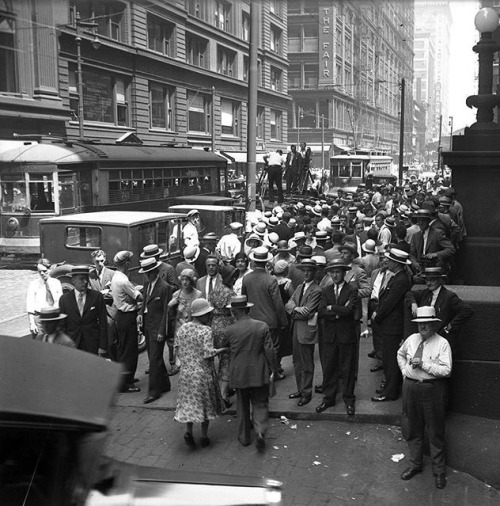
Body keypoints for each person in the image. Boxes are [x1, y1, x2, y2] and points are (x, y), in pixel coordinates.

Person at [397, 306, 452, 489]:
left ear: (434, 325)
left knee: (435, 430)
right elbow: (400, 354)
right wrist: (405, 371)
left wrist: (424, 365)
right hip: (411, 388)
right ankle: (415, 465)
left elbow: (446, 369)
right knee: (412, 428)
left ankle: (439, 471)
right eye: (420, 323)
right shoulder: (412, 339)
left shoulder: (442, 343)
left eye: (426, 323)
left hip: (432, 389)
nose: (423, 327)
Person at [221, 295, 278, 450]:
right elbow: (270, 350)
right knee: (260, 402)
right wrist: (274, 368)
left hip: (238, 372)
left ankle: (245, 437)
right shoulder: (261, 326)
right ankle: (260, 432)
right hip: (258, 370)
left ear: (233, 312)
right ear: (247, 309)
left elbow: (224, 347)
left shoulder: (229, 330)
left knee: (242, 404)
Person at [174, 298, 226, 448]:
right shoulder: (206, 330)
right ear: (201, 315)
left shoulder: (183, 328)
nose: (209, 316)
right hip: (203, 374)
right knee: (205, 404)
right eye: (207, 313)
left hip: (186, 374)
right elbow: (208, 353)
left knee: (189, 404)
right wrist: (223, 350)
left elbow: (177, 347)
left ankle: (189, 431)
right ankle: (203, 435)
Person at [317, 258, 358, 416]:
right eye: (332, 272)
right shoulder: (326, 290)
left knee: (347, 368)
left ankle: (349, 399)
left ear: (344, 273)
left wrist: (332, 308)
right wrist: (339, 311)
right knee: (329, 367)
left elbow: (350, 311)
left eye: (338, 272)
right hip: (330, 335)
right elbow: (321, 312)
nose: (335, 275)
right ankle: (329, 398)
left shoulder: (351, 289)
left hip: (346, 335)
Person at [371, 248, 412, 402]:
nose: (387, 261)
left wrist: (377, 315)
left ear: (396, 263)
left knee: (390, 360)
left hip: (392, 326)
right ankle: (390, 387)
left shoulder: (400, 280)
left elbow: (389, 302)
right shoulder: (399, 277)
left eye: (390, 260)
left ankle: (390, 392)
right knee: (389, 358)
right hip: (390, 325)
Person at [404, 267, 473, 353]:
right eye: (427, 280)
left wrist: (450, 326)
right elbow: (409, 294)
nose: (428, 283)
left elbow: (467, 310)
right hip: (427, 339)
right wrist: (413, 303)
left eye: (432, 280)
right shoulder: (426, 293)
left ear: (440, 280)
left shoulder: (449, 296)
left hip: (442, 339)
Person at [286, 258, 322, 407]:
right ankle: (300, 389)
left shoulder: (317, 290)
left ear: (314, 272)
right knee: (297, 361)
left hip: (306, 330)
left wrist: (294, 310)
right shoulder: (300, 286)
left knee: (307, 363)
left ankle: (306, 392)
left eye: (309, 270)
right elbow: (288, 304)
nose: (306, 273)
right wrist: (295, 308)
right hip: (296, 329)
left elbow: (307, 312)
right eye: (304, 270)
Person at [242, 246, 288, 365]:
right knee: (273, 348)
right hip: (270, 321)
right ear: (266, 262)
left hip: (253, 319)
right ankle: (273, 372)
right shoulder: (270, 280)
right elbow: (278, 303)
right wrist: (283, 322)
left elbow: (244, 300)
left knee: (257, 349)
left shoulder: (246, 278)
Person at [137, 257, 173, 404]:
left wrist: (161, 332)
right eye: (146, 272)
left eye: (149, 272)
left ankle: (154, 392)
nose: (147, 275)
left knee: (154, 360)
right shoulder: (146, 285)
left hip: (157, 329)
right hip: (147, 326)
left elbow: (167, 312)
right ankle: (165, 384)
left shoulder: (165, 288)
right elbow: (144, 302)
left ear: (156, 271)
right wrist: (139, 314)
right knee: (154, 357)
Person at [111, 251, 143, 393]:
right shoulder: (123, 280)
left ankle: (125, 378)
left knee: (122, 350)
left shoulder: (116, 277)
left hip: (120, 316)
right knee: (129, 352)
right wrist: (138, 291)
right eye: (129, 261)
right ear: (127, 263)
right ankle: (126, 383)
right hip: (128, 316)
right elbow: (139, 297)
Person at [58, 265, 108, 356]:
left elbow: (103, 323)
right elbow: (62, 326)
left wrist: (102, 346)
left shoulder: (96, 297)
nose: (85, 282)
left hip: (92, 344)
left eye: (86, 279)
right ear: (73, 280)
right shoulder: (64, 299)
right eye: (81, 279)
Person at [208, 264, 238, 407]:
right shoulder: (230, 293)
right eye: (233, 277)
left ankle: (221, 389)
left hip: (214, 324)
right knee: (227, 359)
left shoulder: (214, 290)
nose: (234, 279)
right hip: (227, 326)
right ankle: (223, 395)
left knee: (220, 358)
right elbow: (234, 312)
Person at [168, 269, 202, 375]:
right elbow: (170, 315)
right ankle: (178, 364)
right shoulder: (176, 295)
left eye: (187, 279)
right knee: (179, 347)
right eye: (182, 279)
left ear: (192, 280)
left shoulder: (198, 294)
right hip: (179, 326)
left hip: (194, 326)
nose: (184, 282)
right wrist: (170, 305)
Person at [89, 250, 118, 360]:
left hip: (109, 313)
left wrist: (98, 295)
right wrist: (103, 293)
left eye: (102, 261)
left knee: (111, 342)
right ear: (93, 261)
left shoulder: (112, 274)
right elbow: (89, 294)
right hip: (95, 313)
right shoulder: (90, 276)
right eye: (97, 261)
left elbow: (114, 293)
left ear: (105, 260)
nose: (100, 263)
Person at [26, 258, 63, 337]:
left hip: (53, 319)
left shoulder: (56, 283)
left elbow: (60, 301)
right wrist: (32, 324)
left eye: (44, 271)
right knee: (40, 346)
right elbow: (30, 306)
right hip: (40, 319)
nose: (42, 274)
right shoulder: (33, 285)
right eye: (40, 272)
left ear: (50, 270)